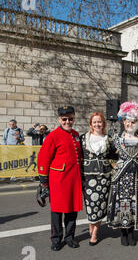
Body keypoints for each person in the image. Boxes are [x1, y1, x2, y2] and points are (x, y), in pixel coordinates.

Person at [37, 106, 83, 251]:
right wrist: (44, 180)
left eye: (70, 118)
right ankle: (56, 239)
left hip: (74, 180)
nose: (67, 121)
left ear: (74, 118)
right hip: (58, 180)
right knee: (57, 211)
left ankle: (70, 237)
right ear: (59, 120)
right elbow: (43, 159)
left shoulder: (76, 134)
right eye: (64, 119)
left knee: (72, 210)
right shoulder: (53, 136)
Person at [107, 101, 138, 246]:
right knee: (123, 204)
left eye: (133, 121)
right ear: (123, 121)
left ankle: (131, 232)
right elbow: (108, 154)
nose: (129, 124)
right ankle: (123, 233)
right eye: (127, 121)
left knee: (133, 204)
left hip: (135, 177)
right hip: (122, 177)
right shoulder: (116, 138)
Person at [81, 112, 115, 246]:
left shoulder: (109, 139)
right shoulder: (84, 138)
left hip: (104, 177)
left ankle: (95, 233)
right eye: (94, 122)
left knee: (101, 205)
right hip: (88, 176)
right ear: (91, 124)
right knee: (90, 206)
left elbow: (115, 154)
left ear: (103, 124)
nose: (97, 124)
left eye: (99, 122)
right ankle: (92, 224)